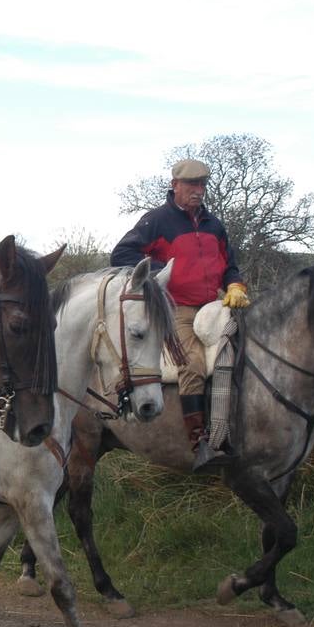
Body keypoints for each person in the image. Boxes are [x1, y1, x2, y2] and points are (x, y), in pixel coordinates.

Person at [109, 159, 249, 467]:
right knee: (193, 364)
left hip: (215, 304)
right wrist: (164, 272)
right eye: (191, 186)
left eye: (202, 186)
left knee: (251, 353)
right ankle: (199, 443)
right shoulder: (157, 221)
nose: (198, 191)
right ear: (175, 185)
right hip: (177, 307)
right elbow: (121, 254)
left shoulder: (214, 225)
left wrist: (235, 285)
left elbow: (230, 264)